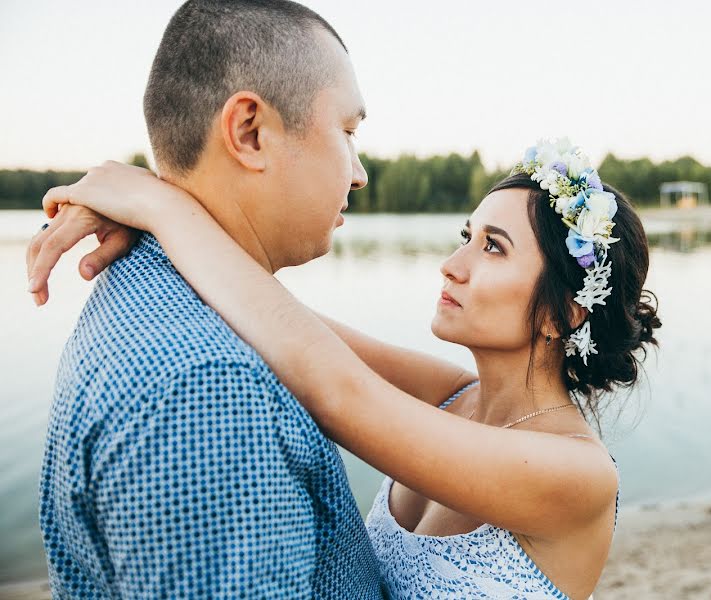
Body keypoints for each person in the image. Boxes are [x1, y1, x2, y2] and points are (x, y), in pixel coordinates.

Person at [28, 138, 661, 598]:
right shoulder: (452, 396)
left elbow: (334, 389)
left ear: (562, 314)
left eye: (492, 248)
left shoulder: (579, 475)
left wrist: (155, 205)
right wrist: (150, 207)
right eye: (466, 235)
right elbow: (277, 315)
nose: (452, 263)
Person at [25, 1, 385, 597]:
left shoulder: (150, 288)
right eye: (348, 132)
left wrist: (162, 207)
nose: (359, 172)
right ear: (249, 131)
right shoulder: (207, 387)